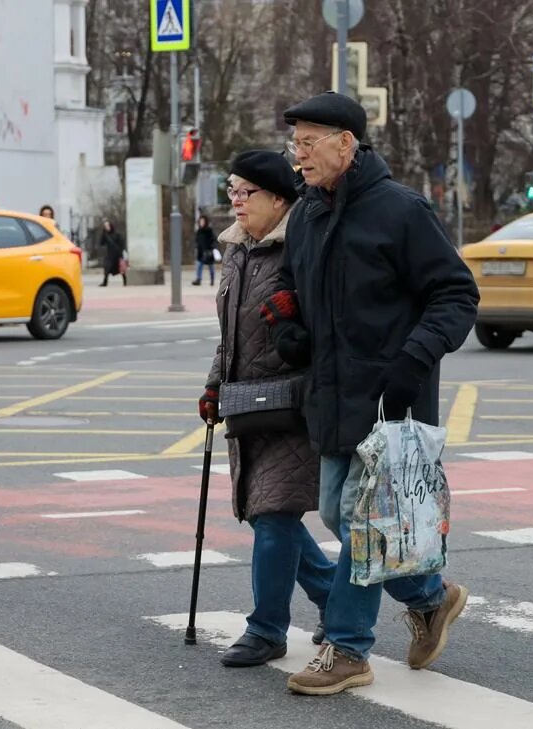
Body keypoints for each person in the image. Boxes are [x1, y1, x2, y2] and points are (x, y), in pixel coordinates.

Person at [262, 91, 479, 696]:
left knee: (362, 523)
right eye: (295, 144)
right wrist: (286, 327)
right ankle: (431, 597)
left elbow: (456, 294)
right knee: (339, 512)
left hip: (390, 396)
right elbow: (288, 284)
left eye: (309, 143)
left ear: (346, 144)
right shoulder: (308, 214)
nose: (299, 155)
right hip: (332, 395)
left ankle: (348, 648)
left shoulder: (401, 210)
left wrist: (414, 359)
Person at [200, 150, 336, 668]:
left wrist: (292, 322)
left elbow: (325, 326)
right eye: (231, 190)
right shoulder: (237, 251)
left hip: (293, 404)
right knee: (264, 514)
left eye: (246, 192)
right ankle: (332, 594)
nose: (236, 200)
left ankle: (266, 629)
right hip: (248, 405)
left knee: (275, 512)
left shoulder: (301, 248)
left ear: (279, 200)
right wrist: (214, 386)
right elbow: (230, 336)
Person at [98, 219, 126, 287]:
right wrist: (103, 234)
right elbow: (101, 243)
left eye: (108, 225)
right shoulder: (106, 235)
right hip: (110, 255)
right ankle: (105, 282)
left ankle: (125, 281)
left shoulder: (117, 234)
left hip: (117, 254)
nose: (107, 227)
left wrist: (121, 252)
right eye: (105, 226)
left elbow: (121, 244)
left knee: (121, 269)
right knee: (107, 268)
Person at [192, 215, 217, 286]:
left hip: (208, 251)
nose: (201, 223)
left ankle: (212, 280)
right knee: (199, 266)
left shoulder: (209, 230)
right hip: (201, 252)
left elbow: (213, 240)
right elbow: (197, 241)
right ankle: (198, 279)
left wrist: (211, 247)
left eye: (203, 221)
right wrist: (197, 247)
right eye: (200, 221)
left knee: (211, 266)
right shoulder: (199, 231)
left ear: (205, 222)